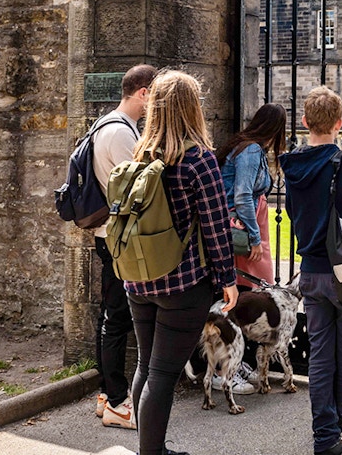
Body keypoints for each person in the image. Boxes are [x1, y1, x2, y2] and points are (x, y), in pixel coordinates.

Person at [125, 69, 238, 455]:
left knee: (146, 366)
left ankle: (148, 446)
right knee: (162, 374)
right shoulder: (198, 160)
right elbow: (216, 225)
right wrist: (228, 278)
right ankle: (151, 452)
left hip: (139, 282)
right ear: (192, 109)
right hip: (183, 285)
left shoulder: (141, 154)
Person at [279, 87, 342, 455]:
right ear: (339, 123)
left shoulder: (292, 163)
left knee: (321, 354)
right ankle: (331, 435)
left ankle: (326, 434)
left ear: (305, 122)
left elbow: (293, 212)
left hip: (311, 270)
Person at [90, 64, 156, 429]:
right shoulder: (121, 133)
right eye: (153, 96)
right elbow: (141, 191)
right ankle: (116, 400)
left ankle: (106, 392)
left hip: (108, 235)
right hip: (117, 239)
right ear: (143, 93)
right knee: (116, 319)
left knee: (111, 316)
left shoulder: (110, 125)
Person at [218, 102, 287, 287]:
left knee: (255, 280)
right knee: (255, 281)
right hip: (244, 223)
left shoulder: (248, 146)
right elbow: (242, 196)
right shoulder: (251, 150)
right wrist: (254, 237)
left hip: (251, 220)